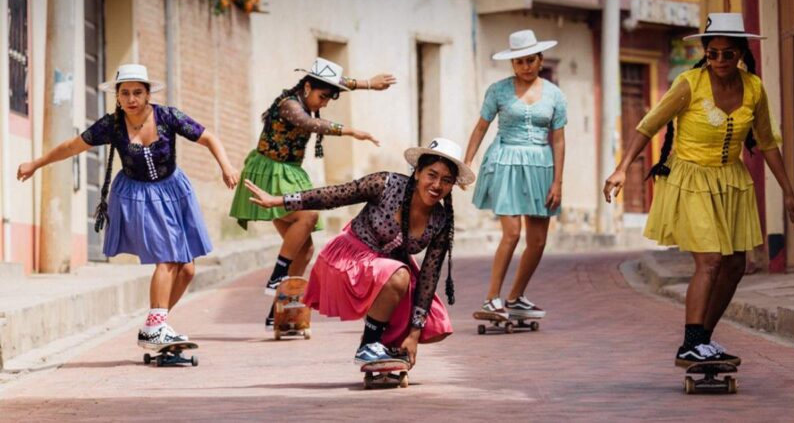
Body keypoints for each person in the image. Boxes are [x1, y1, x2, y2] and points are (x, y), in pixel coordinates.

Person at [603, 13, 794, 367]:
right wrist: (621, 169)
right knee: (709, 260)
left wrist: (788, 191)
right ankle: (691, 341)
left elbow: (768, 142)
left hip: (731, 181)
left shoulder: (754, 87)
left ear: (741, 52)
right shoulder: (688, 83)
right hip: (691, 179)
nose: (721, 61)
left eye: (728, 54)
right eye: (713, 54)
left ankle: (701, 340)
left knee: (736, 264)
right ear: (705, 53)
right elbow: (648, 126)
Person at [17, 64, 239, 349]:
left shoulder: (168, 116)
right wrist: (36, 163)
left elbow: (208, 137)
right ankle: (156, 328)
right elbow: (72, 146)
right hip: (137, 196)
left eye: (137, 92)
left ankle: (154, 326)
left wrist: (226, 166)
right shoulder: (111, 125)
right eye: (125, 93)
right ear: (118, 97)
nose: (131, 98)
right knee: (168, 257)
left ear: (148, 94)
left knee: (187, 270)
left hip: (173, 191)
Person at [245, 138, 475, 368]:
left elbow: (429, 276)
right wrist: (281, 200)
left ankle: (386, 344)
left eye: (446, 180)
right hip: (349, 259)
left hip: (389, 270)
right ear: (417, 173)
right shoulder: (386, 184)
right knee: (399, 275)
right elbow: (335, 195)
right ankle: (368, 345)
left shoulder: (441, 221)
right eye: (431, 175)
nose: (436, 185)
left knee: (436, 325)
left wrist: (414, 334)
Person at [228, 57, 395, 328]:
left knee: (305, 252)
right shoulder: (289, 105)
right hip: (270, 171)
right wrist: (353, 131)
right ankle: (277, 275)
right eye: (323, 96)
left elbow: (342, 82)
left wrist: (368, 84)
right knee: (308, 216)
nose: (325, 103)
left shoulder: (309, 94)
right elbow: (310, 124)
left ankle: (279, 312)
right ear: (307, 87)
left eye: (330, 98)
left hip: (290, 172)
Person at [463, 29, 566, 321]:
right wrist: (467, 161)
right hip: (505, 160)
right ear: (512, 64)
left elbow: (558, 140)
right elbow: (481, 127)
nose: (526, 67)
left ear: (540, 59)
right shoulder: (498, 91)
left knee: (538, 241)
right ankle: (490, 299)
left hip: (541, 167)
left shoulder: (555, 94)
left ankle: (515, 297)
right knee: (512, 233)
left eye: (531, 60)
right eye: (519, 62)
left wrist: (558, 181)